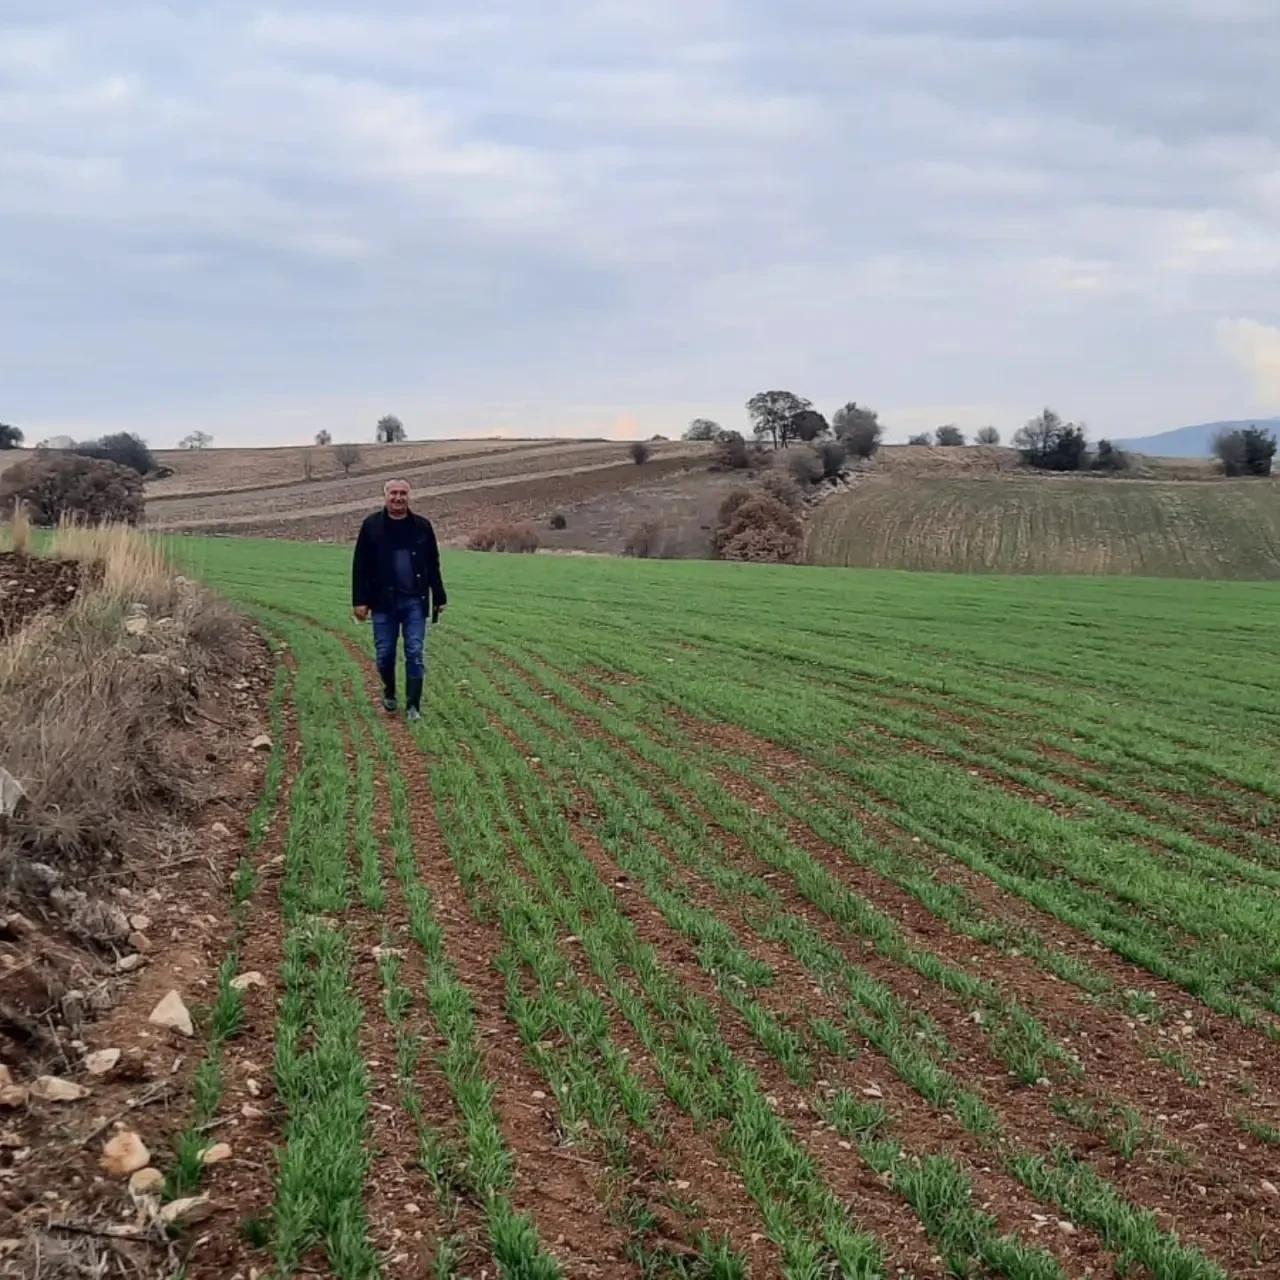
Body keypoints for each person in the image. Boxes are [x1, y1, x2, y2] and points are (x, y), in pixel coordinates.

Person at [351, 478, 446, 721]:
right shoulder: (371, 526)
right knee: (385, 653)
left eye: (403, 493)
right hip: (383, 602)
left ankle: (413, 706)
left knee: (414, 651)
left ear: (409, 497)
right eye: (393, 493)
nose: (398, 497)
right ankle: (389, 691)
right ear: (385, 496)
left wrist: (439, 596)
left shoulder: (422, 527)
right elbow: (360, 566)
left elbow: (433, 563)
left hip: (415, 600)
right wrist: (359, 601)